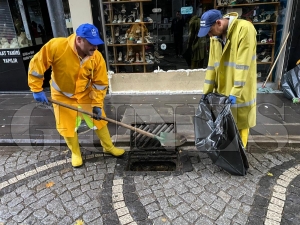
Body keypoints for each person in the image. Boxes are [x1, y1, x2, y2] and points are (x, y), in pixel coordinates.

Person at [28, 23, 125, 168]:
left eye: (97, 43)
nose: (95, 47)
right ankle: (75, 153)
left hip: (86, 93)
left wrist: (97, 105)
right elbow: (37, 65)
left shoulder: (96, 57)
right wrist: (36, 89)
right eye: (92, 44)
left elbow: (100, 84)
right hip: (62, 94)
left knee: (99, 120)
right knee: (66, 125)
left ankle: (108, 147)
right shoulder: (57, 46)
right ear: (79, 40)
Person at [198, 9, 257, 148]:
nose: (209, 35)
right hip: (223, 90)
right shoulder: (215, 38)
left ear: (218, 23)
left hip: (241, 90)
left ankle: (239, 159)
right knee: (224, 125)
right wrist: (206, 92)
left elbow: (243, 65)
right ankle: (227, 155)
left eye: (210, 31)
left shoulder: (245, 29)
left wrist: (235, 92)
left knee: (241, 124)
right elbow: (212, 66)